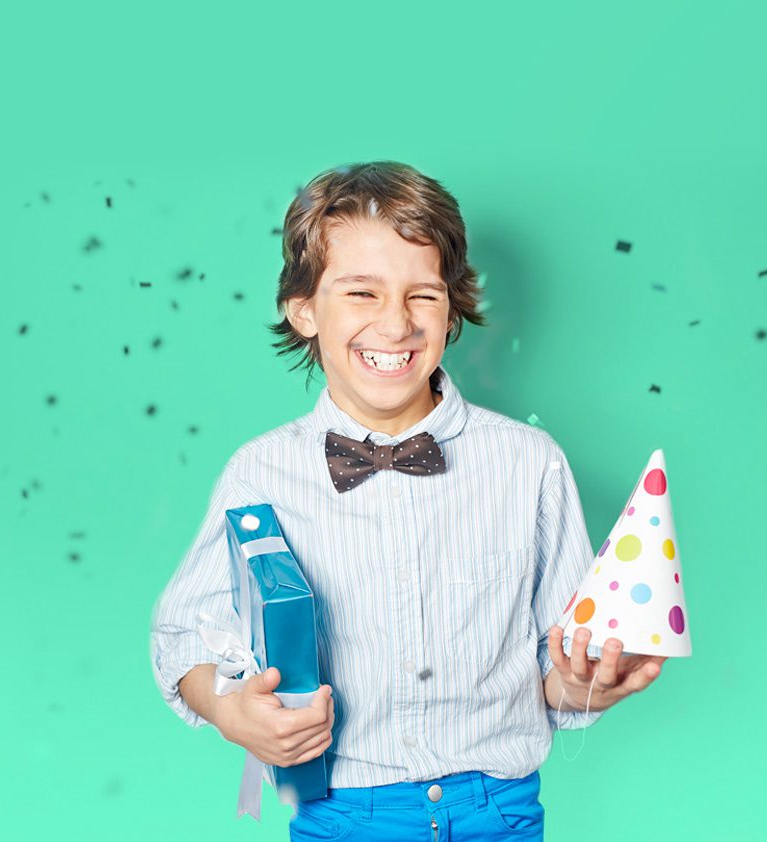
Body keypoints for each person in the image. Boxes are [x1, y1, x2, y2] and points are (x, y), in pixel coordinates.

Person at [149, 160, 665, 840]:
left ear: (452, 307)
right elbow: (182, 636)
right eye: (361, 293)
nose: (395, 325)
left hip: (499, 811)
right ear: (303, 310)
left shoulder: (528, 464)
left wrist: (586, 683)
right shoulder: (261, 472)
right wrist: (231, 713)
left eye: (421, 295)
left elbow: (556, 673)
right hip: (343, 815)